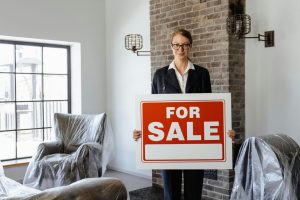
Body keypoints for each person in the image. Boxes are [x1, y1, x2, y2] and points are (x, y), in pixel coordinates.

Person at [133, 29, 235, 200]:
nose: (181, 49)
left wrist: (224, 132)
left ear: (190, 46)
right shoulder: (160, 75)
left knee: (193, 193)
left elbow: (210, 111)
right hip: (169, 144)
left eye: (185, 45)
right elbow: (153, 111)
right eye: (177, 45)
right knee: (170, 194)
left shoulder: (202, 74)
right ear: (171, 46)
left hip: (194, 143)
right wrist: (141, 132)